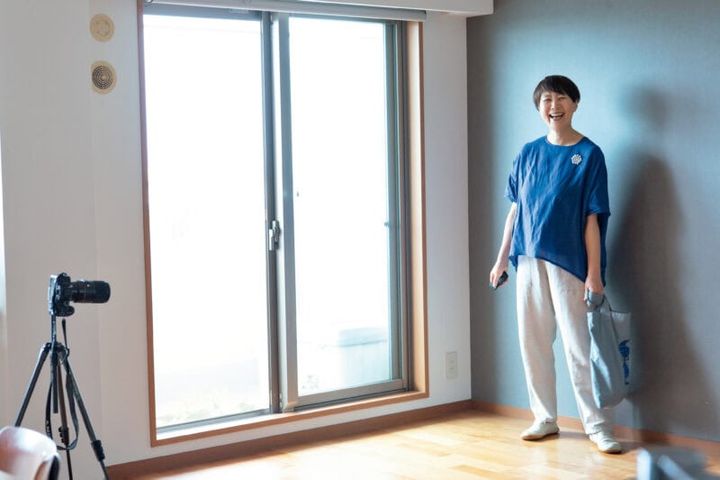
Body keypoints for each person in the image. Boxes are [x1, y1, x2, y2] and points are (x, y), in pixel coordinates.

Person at [489, 75, 621, 454]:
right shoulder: (528, 153)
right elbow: (516, 211)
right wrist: (501, 259)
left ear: (575, 104)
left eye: (561, 98)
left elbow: (593, 218)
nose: (554, 106)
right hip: (529, 260)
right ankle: (544, 417)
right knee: (533, 343)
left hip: (571, 265)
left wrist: (594, 273)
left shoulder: (589, 155)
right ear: (539, 108)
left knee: (580, 348)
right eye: (546, 100)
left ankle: (597, 426)